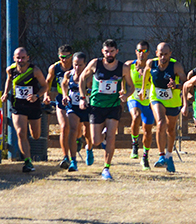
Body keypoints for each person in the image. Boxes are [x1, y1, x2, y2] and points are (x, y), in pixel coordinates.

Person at [79, 39, 134, 180]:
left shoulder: (123, 68)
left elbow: (131, 86)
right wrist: (82, 97)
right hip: (96, 106)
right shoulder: (95, 64)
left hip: (113, 106)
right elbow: (82, 78)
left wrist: (126, 95)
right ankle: (99, 139)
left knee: (111, 137)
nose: (109, 54)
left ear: (116, 52)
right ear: (102, 52)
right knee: (96, 140)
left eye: (112, 51)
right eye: (106, 51)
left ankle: (106, 168)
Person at [142, 42, 187, 173]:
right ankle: (161, 156)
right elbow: (146, 72)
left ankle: (169, 156)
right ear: (156, 53)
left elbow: (185, 83)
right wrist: (143, 90)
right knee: (161, 123)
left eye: (166, 54)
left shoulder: (176, 66)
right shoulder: (151, 63)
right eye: (160, 54)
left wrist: (176, 86)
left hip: (173, 100)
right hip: (156, 98)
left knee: (171, 130)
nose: (163, 57)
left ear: (170, 54)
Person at [2, 47, 48, 173]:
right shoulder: (10, 70)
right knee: (21, 132)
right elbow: (9, 80)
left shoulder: (35, 70)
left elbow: (45, 86)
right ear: (14, 58)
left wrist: (37, 96)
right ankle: (27, 162)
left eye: (23, 57)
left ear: (28, 58)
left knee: (36, 135)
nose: (20, 60)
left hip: (33, 105)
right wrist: (6, 93)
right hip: (18, 106)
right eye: (18, 57)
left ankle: (30, 153)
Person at [126, 41, 155, 169]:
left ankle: (145, 157)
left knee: (148, 131)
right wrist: (123, 90)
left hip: (148, 100)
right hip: (134, 97)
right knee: (136, 116)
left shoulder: (152, 66)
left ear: (148, 52)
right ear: (135, 51)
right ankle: (134, 144)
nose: (141, 53)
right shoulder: (129, 65)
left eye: (143, 51)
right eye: (138, 50)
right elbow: (122, 76)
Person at [44, 44, 73, 169]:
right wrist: (46, 95)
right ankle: (66, 156)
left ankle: (78, 140)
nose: (64, 60)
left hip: (75, 99)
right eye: (62, 57)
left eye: (67, 57)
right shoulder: (55, 67)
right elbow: (47, 82)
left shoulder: (77, 65)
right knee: (64, 127)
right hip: (61, 99)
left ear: (72, 56)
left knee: (76, 129)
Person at [60, 52, 90, 171]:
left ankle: (89, 149)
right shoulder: (69, 74)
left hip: (87, 107)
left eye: (80, 65)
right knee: (72, 129)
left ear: (85, 65)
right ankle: (73, 161)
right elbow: (63, 84)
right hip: (73, 106)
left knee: (88, 133)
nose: (77, 67)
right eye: (75, 64)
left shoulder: (89, 76)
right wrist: (65, 95)